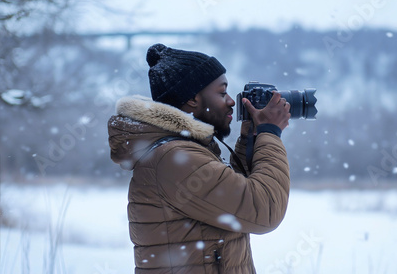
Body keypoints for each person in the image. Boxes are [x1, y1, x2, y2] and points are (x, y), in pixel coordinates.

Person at [108, 43, 291, 274]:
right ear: (193, 98)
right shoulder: (175, 158)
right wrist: (270, 132)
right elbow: (264, 210)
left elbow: (236, 197)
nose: (231, 101)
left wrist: (252, 136)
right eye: (222, 92)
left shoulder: (179, 152)